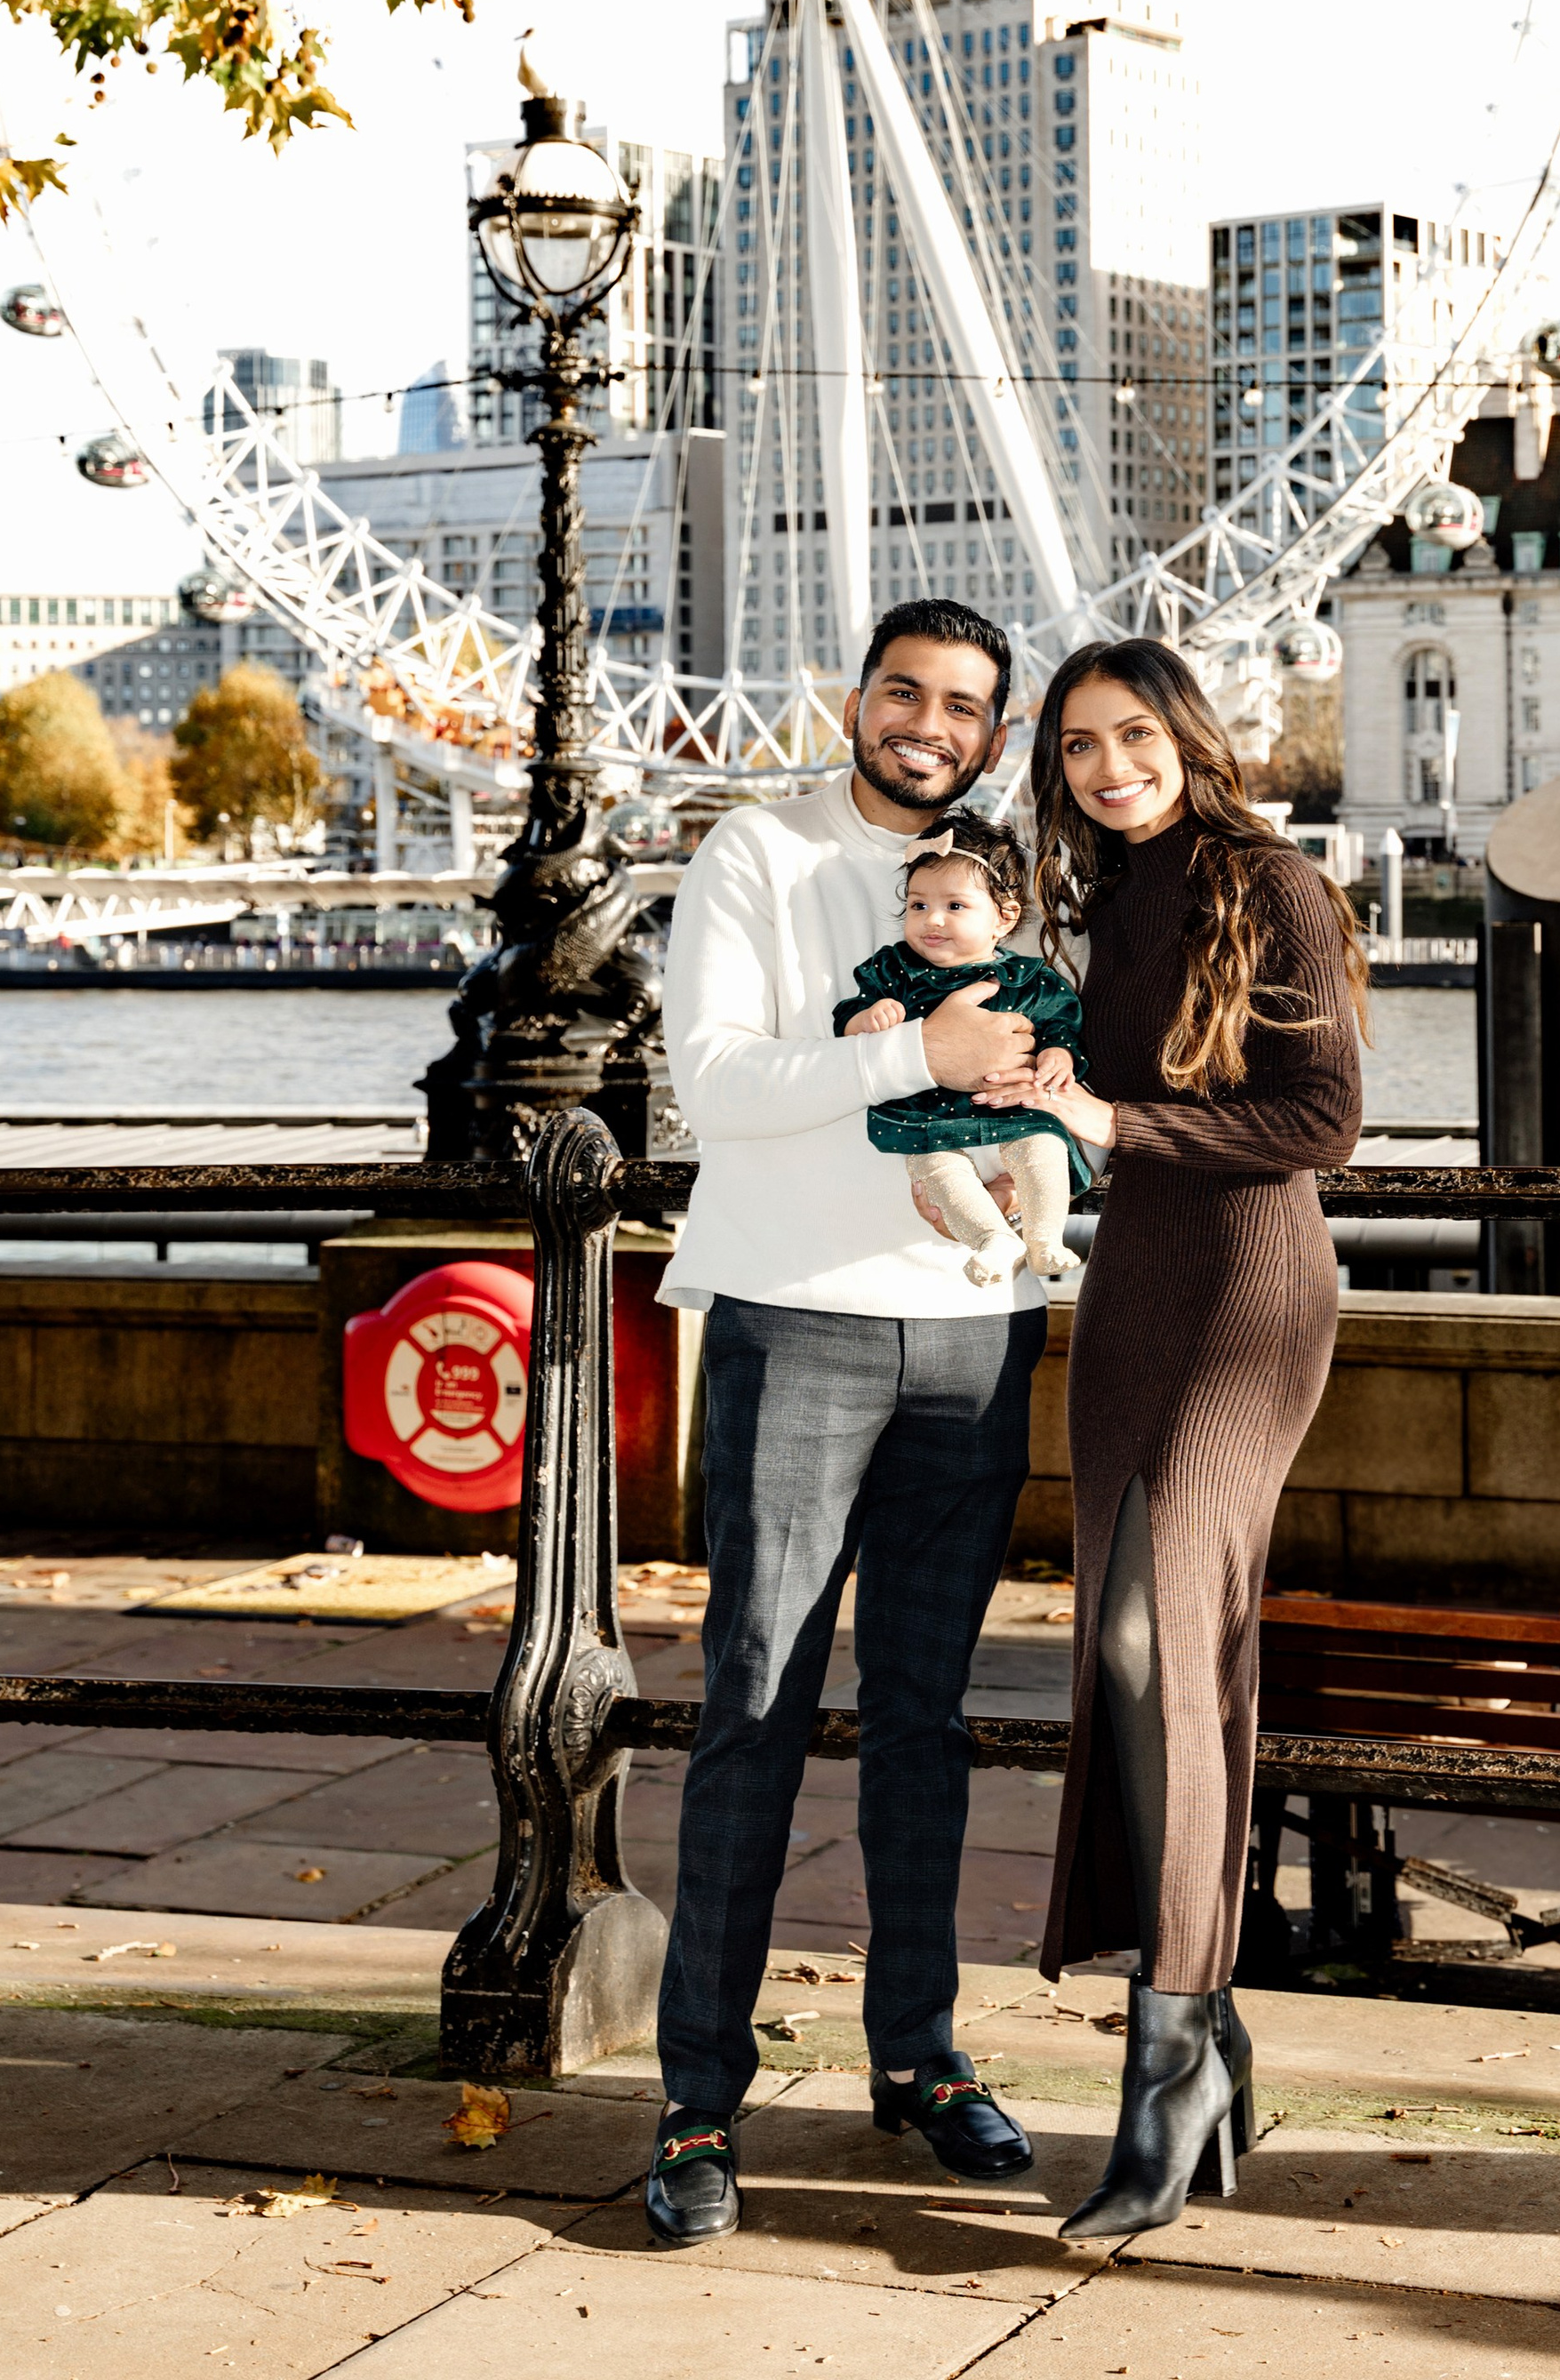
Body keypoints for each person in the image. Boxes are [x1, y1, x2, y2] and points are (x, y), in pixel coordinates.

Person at [643, 600, 1049, 2247]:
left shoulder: (1019, 883)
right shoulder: (757, 851)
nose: (927, 724)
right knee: (753, 1703)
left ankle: (921, 2057)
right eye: (903, 692)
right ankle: (697, 2099)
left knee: (925, 1721)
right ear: (855, 700)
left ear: (994, 734)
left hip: (977, 1332)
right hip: (796, 1315)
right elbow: (711, 1085)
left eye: (962, 705)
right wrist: (912, 1054)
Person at [976, 636, 1367, 2239]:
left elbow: (1323, 1117)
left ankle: (1170, 2058)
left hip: (1251, 1289)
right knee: (1122, 1652)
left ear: (1189, 736)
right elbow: (1100, 1101)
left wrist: (1114, 1118)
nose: (1109, 766)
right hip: (1134, 1279)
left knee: (1159, 1637)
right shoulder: (1101, 901)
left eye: (1133, 734)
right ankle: (1206, 2027)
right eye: (1078, 746)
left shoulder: (1274, 885)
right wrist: (1041, 1094)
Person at [836, 807, 1091, 1288]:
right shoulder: (896, 970)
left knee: (1045, 1150)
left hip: (1014, 1115)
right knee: (936, 1172)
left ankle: (1045, 1237)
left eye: (955, 906)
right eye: (918, 905)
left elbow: (1061, 1025)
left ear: (1004, 918)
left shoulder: (1028, 978)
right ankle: (991, 1239)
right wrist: (865, 1019)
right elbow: (847, 1012)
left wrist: (1059, 1054)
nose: (932, 920)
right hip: (933, 1121)